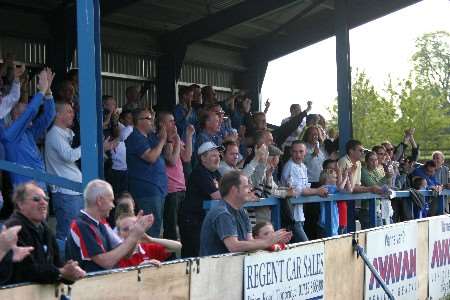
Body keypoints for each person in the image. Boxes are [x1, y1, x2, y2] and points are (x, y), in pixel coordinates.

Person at [4, 182, 85, 284]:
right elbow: (27, 272)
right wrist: (61, 272)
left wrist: (71, 273)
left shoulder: (45, 228)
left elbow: (57, 265)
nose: (43, 203)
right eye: (36, 199)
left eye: (46, 199)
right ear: (20, 204)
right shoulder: (13, 228)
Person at [65, 180, 154, 272]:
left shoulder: (102, 223)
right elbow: (106, 262)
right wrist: (135, 235)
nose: (113, 206)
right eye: (111, 200)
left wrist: (137, 232)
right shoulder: (81, 225)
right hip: (90, 284)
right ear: (100, 201)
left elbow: (126, 253)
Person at [200, 171, 291, 256]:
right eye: (246, 186)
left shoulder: (242, 211)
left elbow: (250, 241)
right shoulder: (223, 213)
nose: (250, 189)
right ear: (234, 190)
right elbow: (234, 246)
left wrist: (274, 241)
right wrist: (267, 242)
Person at [1, 68, 56, 190]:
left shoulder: (29, 132)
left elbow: (49, 115)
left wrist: (48, 92)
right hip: (25, 194)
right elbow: (30, 111)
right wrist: (41, 91)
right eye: (24, 115)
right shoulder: (9, 136)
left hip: (42, 190)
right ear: (16, 116)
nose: (31, 119)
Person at [45, 101, 83, 251]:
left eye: (72, 111)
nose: (72, 114)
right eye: (68, 111)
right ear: (57, 114)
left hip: (74, 191)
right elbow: (69, 156)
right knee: (66, 235)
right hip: (66, 193)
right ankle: (62, 267)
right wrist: (87, 144)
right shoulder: (54, 133)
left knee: (76, 233)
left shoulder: (67, 133)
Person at [126, 108, 168, 237]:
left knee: (157, 227)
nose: (152, 121)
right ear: (138, 121)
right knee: (151, 231)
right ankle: (149, 257)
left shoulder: (149, 136)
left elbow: (165, 153)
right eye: (149, 118)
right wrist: (162, 140)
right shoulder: (135, 137)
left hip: (158, 189)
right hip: (147, 191)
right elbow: (151, 157)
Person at [178, 142, 222, 258]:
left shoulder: (215, 173)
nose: (218, 158)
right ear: (203, 158)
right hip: (192, 221)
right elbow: (217, 195)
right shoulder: (200, 172)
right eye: (213, 156)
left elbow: (227, 189)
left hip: (202, 220)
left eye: (218, 155)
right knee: (193, 256)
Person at [281, 140, 328, 242]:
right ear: (290, 152)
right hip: (291, 217)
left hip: (299, 215)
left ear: (305, 152)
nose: (298, 154)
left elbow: (305, 188)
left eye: (301, 151)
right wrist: (318, 191)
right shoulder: (290, 166)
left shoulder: (303, 167)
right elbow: (300, 190)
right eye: (295, 151)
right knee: (306, 245)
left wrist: (317, 191)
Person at [158, 111, 194, 240]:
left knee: (184, 224)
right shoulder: (163, 139)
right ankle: (171, 257)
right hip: (171, 189)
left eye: (174, 121)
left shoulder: (174, 138)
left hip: (181, 187)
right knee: (171, 227)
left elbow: (187, 157)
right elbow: (171, 160)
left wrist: (188, 136)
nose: (174, 123)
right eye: (170, 121)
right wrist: (178, 141)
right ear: (162, 124)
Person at [337, 140, 384, 233]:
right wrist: (370, 188)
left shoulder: (358, 164)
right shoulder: (343, 161)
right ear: (351, 151)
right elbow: (342, 187)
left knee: (349, 230)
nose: (363, 153)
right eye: (360, 150)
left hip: (350, 201)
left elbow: (356, 185)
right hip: (340, 201)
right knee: (342, 231)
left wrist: (370, 188)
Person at [116, 216, 181, 268]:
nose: (131, 232)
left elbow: (177, 246)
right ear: (118, 234)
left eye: (134, 228)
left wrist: (151, 239)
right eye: (125, 229)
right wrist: (140, 268)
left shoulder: (146, 247)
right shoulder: (115, 254)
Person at [317, 165, 352, 237]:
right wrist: (345, 177)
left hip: (333, 221)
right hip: (326, 222)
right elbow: (341, 187)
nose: (336, 178)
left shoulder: (333, 188)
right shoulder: (325, 187)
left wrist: (347, 177)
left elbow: (349, 190)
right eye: (334, 176)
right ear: (327, 178)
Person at [360, 151, 392, 229]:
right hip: (368, 209)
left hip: (378, 208)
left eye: (376, 160)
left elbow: (387, 186)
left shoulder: (376, 171)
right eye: (371, 160)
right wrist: (386, 177)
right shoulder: (363, 171)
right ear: (366, 162)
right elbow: (373, 186)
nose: (374, 162)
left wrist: (389, 176)